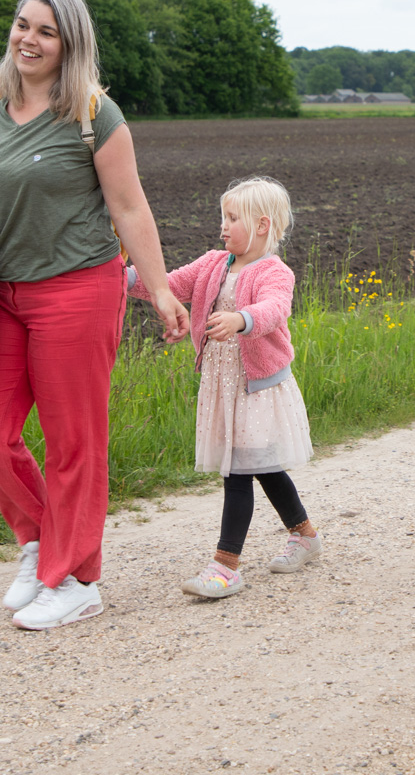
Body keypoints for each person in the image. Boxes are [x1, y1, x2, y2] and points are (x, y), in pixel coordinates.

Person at [0, 0, 188, 632]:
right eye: (23, 24)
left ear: (68, 44)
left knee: (73, 441)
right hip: (0, 291)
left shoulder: (94, 114)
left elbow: (129, 208)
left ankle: (77, 581)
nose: (29, 39)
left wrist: (161, 289)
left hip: (77, 289)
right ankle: (40, 540)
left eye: (46, 31)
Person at [129, 176, 321, 599]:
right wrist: (122, 278)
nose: (224, 225)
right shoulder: (214, 264)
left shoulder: (274, 271)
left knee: (238, 472)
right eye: (224, 217)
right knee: (263, 467)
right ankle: (305, 535)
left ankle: (225, 566)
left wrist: (241, 319)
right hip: (223, 387)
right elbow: (168, 284)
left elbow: (274, 309)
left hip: (257, 389)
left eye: (233, 218)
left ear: (262, 225)